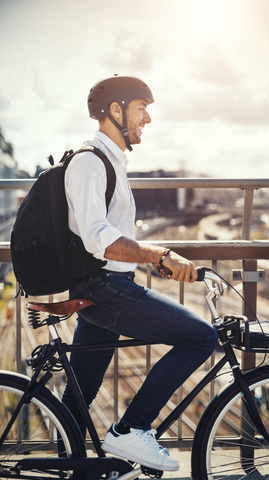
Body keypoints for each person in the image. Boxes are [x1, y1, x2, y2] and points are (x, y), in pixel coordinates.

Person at [61, 75, 218, 472]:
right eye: (141, 108)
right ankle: (132, 429)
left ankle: (68, 466)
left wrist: (148, 261)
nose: (147, 118)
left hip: (108, 286)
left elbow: (113, 239)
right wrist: (159, 253)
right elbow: (99, 239)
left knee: (79, 396)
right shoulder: (89, 162)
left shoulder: (112, 161)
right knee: (200, 337)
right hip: (104, 288)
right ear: (116, 110)